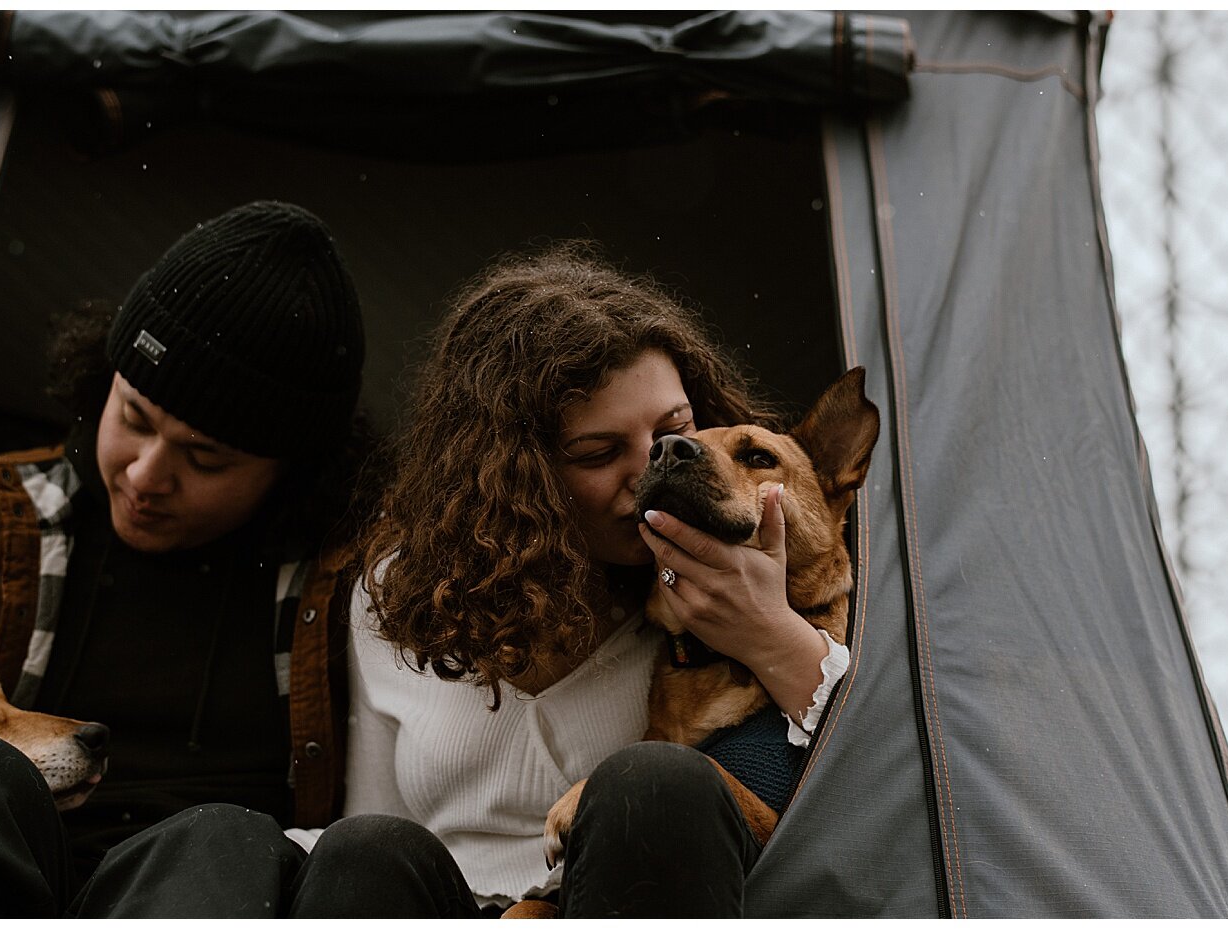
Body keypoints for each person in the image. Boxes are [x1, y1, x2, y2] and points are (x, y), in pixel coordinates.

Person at [337, 244, 851, 916]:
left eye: (675, 432)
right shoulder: (398, 590)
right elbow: (371, 837)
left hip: (621, 896)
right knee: (360, 850)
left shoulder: (708, 589)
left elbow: (863, 792)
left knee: (654, 784)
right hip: (450, 901)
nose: (654, 469)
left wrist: (768, 632)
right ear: (516, 477)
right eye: (599, 452)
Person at [0, 201, 377, 917]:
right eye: (132, 417)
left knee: (222, 834)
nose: (144, 476)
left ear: (289, 473)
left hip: (212, 890)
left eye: (204, 458)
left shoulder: (359, 587)